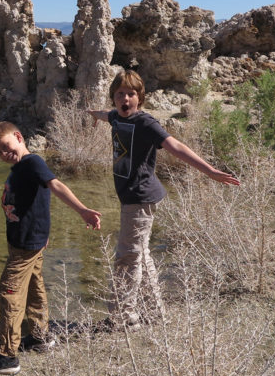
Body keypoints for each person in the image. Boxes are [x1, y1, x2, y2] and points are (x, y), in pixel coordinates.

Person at [87, 70, 240, 328]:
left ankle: (123, 318)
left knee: (126, 257)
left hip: (140, 197)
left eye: (131, 94)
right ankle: (155, 313)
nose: (125, 98)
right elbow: (106, 115)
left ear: (140, 98)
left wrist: (210, 171)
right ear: (113, 98)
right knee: (141, 255)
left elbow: (176, 146)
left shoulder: (146, 123)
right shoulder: (115, 116)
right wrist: (94, 115)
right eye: (120, 94)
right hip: (132, 197)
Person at [0, 121, 102, 376]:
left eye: (6, 146)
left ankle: (7, 356)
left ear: (19, 137)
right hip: (26, 241)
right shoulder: (21, 167)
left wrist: (82, 210)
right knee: (34, 285)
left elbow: (56, 186)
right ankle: (41, 337)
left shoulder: (33, 163)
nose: (4, 154)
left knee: (8, 292)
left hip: (26, 245)